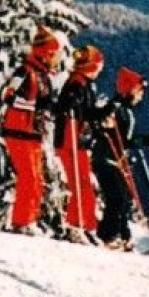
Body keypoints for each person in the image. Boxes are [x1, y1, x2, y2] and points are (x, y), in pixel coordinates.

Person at [1, 28, 63, 235]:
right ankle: (21, 222)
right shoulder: (25, 71)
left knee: (36, 177)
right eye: (54, 55)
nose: (57, 60)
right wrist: (33, 108)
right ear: (44, 54)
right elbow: (7, 95)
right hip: (19, 130)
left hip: (33, 133)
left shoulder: (43, 75)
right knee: (29, 176)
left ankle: (29, 220)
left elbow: (46, 104)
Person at [53, 44, 105, 243]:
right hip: (70, 141)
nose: (99, 72)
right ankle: (77, 225)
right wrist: (72, 109)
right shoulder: (76, 84)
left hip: (79, 141)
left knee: (84, 185)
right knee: (80, 184)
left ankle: (87, 225)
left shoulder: (84, 84)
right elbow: (65, 109)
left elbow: (89, 113)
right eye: (98, 67)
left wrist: (110, 107)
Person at [93, 67, 148, 250]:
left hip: (111, 159)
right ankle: (107, 235)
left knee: (122, 198)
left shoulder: (121, 109)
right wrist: (144, 141)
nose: (141, 96)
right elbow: (123, 141)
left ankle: (122, 235)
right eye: (139, 92)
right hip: (107, 160)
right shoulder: (119, 110)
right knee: (117, 199)